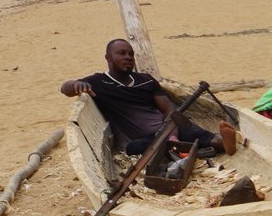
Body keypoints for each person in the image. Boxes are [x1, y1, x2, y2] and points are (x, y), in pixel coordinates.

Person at [61, 39, 224, 155]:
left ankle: (220, 141)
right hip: (145, 140)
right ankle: (189, 148)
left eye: (131, 54)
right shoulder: (98, 82)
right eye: (122, 53)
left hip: (170, 129)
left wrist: (171, 132)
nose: (128, 57)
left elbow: (168, 108)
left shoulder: (145, 80)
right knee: (135, 148)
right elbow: (65, 89)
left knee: (197, 133)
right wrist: (75, 84)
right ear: (108, 58)